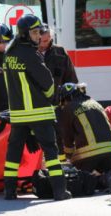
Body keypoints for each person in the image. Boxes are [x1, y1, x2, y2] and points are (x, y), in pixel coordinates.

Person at [2, 14, 71, 201]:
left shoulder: (9, 54)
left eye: (39, 32)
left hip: (18, 114)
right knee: (51, 152)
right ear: (25, 34)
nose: (38, 36)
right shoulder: (31, 55)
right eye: (34, 32)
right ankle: (59, 191)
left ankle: (9, 191)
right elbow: (47, 83)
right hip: (39, 112)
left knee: (13, 152)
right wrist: (54, 98)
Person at [59, 82, 111, 192]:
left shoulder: (69, 108)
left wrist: (68, 158)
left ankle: (96, 180)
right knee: (104, 170)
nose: (62, 104)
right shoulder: (95, 103)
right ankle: (109, 176)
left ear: (67, 98)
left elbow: (67, 138)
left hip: (90, 155)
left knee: (82, 178)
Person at [38, 23, 78, 162]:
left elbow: (71, 79)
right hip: (37, 106)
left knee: (59, 138)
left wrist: (71, 100)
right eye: (43, 40)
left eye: (49, 39)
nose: (46, 42)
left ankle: (61, 165)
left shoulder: (60, 53)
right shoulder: (30, 54)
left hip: (57, 105)